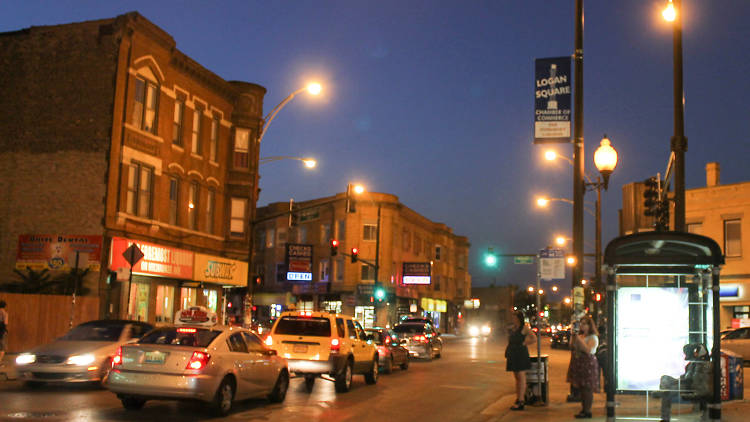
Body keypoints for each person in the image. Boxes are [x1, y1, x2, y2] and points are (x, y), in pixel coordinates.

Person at [659, 343, 711, 422]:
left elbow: (695, 381)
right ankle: (665, 418)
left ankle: (665, 418)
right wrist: (676, 381)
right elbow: (687, 377)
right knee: (665, 379)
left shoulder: (703, 365)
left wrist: (678, 382)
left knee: (667, 393)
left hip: (692, 388)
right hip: (686, 384)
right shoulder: (692, 364)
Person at [567, 314, 600, 419]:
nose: (582, 326)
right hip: (579, 363)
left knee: (587, 388)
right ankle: (583, 409)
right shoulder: (580, 336)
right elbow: (571, 346)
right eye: (581, 324)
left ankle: (587, 410)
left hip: (588, 364)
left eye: (584, 324)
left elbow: (588, 350)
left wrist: (578, 338)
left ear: (590, 326)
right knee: (581, 388)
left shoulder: (593, 337)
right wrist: (573, 335)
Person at [505, 310, 536, 410]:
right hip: (513, 353)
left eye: (514, 317)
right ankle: (518, 398)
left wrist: (524, 343)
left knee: (521, 376)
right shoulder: (513, 328)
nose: (513, 319)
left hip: (520, 353)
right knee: (517, 377)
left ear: (519, 318)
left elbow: (534, 338)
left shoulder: (524, 328)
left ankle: (521, 400)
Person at [0, 300, 7, 364]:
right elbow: (5, 323)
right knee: (2, 347)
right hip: (1, 330)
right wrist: (5, 330)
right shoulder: (4, 313)